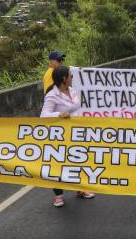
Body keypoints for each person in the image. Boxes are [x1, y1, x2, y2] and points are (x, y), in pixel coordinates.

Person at [41, 66, 95, 208]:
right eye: (71, 76)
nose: (72, 78)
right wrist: (58, 115)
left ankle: (80, 189)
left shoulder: (72, 90)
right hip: (60, 135)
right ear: (64, 78)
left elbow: (77, 109)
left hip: (76, 133)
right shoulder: (52, 95)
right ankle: (58, 196)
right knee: (58, 164)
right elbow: (43, 116)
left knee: (78, 160)